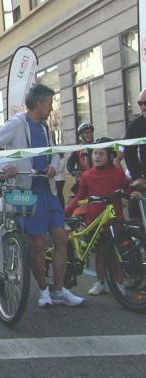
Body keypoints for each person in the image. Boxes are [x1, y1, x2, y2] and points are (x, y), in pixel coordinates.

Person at [0, 84, 84, 308]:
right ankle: (43, 289)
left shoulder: (45, 127)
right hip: (28, 192)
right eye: (49, 103)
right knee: (37, 244)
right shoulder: (17, 124)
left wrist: (54, 166)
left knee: (61, 240)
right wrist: (6, 165)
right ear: (39, 103)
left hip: (48, 189)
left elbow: (53, 153)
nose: (51, 107)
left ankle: (58, 290)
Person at [65, 138, 139, 295]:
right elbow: (80, 196)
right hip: (94, 220)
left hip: (114, 218)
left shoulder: (117, 173)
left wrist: (133, 193)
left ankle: (119, 281)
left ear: (110, 156)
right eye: (95, 153)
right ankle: (100, 282)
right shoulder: (87, 175)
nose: (97, 157)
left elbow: (127, 188)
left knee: (114, 253)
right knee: (100, 252)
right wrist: (67, 210)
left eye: (101, 154)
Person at [123, 88, 146, 218]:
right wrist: (138, 176)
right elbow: (128, 152)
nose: (143, 107)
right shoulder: (135, 126)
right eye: (140, 103)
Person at [67, 122, 94, 194]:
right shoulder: (78, 150)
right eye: (86, 133)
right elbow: (69, 165)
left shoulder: (97, 146)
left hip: (97, 180)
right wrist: (74, 172)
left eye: (91, 132)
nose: (89, 134)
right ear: (81, 135)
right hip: (83, 182)